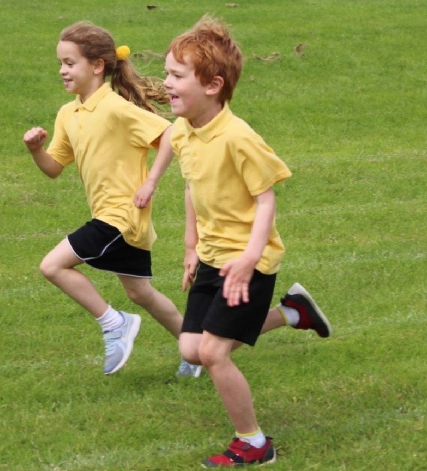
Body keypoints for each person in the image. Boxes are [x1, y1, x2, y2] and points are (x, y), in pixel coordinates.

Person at [164, 15, 332, 467]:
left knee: (214, 353)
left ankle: (254, 443)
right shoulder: (183, 131)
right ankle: (293, 313)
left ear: (213, 85)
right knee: (190, 347)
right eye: (167, 73)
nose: (166, 83)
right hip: (211, 256)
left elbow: (265, 199)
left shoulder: (239, 138)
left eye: (177, 76)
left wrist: (250, 257)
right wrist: (189, 245)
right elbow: (191, 187)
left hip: (247, 262)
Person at [23, 21, 201, 377]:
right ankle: (196, 353)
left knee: (52, 265)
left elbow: (170, 134)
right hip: (114, 218)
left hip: (121, 216)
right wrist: (36, 150)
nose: (62, 70)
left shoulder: (116, 109)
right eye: (60, 63)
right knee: (141, 293)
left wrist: (151, 181)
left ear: (97, 66)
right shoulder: (68, 113)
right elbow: (55, 167)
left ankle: (113, 323)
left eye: (70, 63)